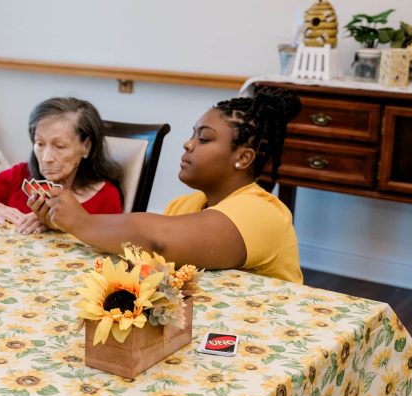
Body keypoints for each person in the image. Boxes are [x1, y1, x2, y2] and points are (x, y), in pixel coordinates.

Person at [30, 88, 304, 283]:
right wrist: (63, 221)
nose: (188, 144)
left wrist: (81, 222)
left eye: (204, 139)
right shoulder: (183, 206)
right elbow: (145, 257)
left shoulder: (262, 212)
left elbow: (157, 242)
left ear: (243, 158)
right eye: (192, 135)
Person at [0, 97, 123, 234]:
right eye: (39, 143)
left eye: (59, 146)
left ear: (86, 146)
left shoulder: (106, 197)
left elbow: (116, 252)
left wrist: (62, 227)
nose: (46, 157)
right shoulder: (20, 175)